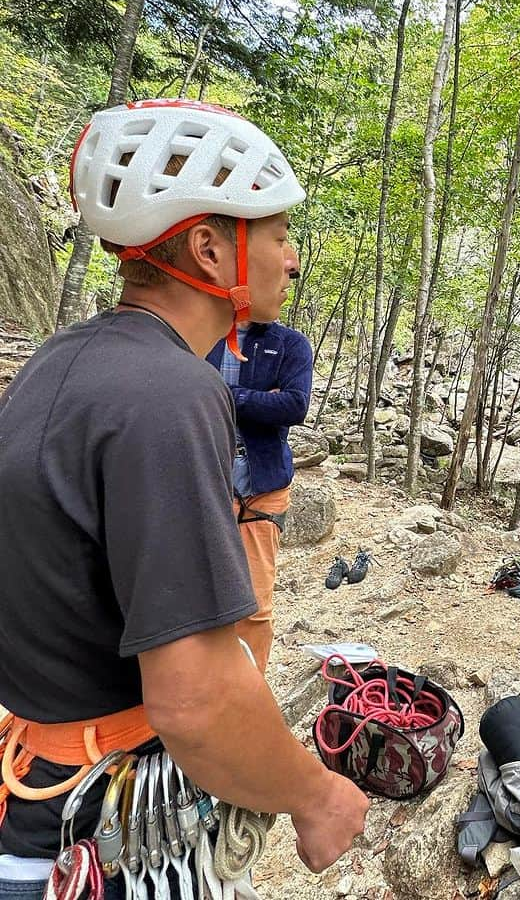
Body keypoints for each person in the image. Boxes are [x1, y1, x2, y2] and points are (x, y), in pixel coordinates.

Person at [0, 100, 369, 897]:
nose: (293, 258)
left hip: (39, 790)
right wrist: (316, 795)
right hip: (96, 826)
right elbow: (194, 702)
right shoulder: (173, 392)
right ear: (209, 248)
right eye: (277, 234)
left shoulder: (59, 361)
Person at [208, 318, 314, 672]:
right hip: (205, 480)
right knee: (198, 594)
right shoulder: (200, 330)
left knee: (254, 603)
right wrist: (261, 401)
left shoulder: (290, 343)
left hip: (262, 486)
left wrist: (225, 394)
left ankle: (249, 689)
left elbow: (295, 405)